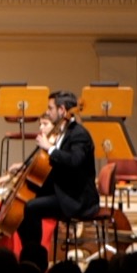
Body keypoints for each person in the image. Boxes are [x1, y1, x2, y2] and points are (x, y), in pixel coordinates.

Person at [13, 88, 102, 262]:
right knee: (23, 204)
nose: (47, 112)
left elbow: (74, 161)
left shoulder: (79, 134)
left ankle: (35, 259)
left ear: (62, 110)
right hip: (64, 191)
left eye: (50, 108)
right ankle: (31, 254)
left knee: (30, 208)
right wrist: (26, 169)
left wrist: (50, 148)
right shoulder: (62, 132)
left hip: (76, 198)